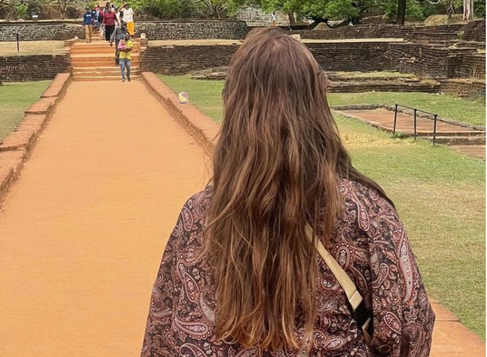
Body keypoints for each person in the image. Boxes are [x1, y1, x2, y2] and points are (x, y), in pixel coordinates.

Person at [141, 28, 434, 357]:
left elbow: (163, 333)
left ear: (234, 106)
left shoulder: (201, 217)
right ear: (316, 105)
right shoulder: (366, 214)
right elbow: (409, 329)